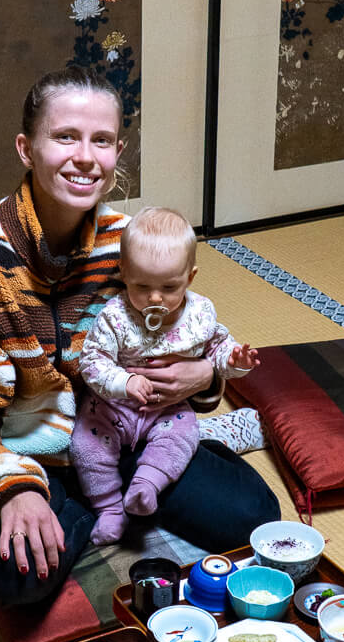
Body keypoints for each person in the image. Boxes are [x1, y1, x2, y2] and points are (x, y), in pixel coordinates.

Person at [0, 67, 278, 606]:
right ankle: (85, 499)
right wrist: (14, 489)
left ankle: (118, 488)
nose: (85, 157)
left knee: (257, 518)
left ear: (116, 151)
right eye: (65, 137)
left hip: (122, 428)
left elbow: (186, 333)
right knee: (9, 575)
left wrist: (207, 374)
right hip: (25, 448)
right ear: (26, 148)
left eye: (101, 140)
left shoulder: (126, 241)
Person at [71, 206, 260, 543]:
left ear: (190, 277)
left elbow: (218, 351)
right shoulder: (116, 316)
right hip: (112, 409)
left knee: (182, 436)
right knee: (86, 446)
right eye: (142, 286)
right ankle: (110, 508)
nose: (155, 298)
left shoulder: (199, 314)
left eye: (169, 287)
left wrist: (234, 360)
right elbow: (92, 361)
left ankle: (147, 486)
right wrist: (124, 382)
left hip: (167, 411)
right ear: (124, 272)